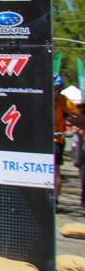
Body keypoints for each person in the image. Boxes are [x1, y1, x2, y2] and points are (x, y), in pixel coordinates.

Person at [54, 74, 81, 202]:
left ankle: (55, 200)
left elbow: (77, 117)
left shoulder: (63, 101)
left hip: (56, 140)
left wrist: (74, 128)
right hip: (38, 140)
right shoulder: (39, 97)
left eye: (56, 88)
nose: (53, 91)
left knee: (54, 170)